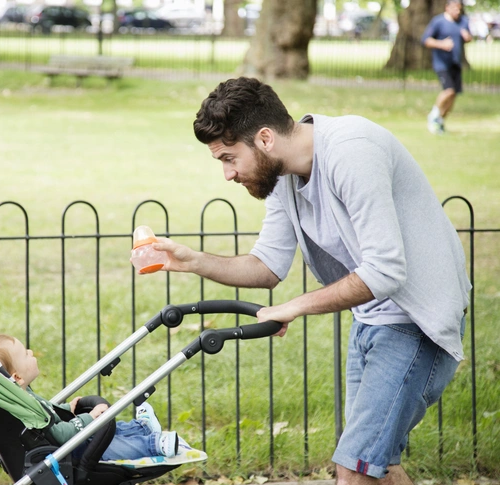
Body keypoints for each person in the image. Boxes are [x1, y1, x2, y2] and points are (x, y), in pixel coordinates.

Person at [151, 77, 470, 484]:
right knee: (379, 465)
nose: (228, 175)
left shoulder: (353, 151)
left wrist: (297, 305)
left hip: (417, 321)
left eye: (230, 158)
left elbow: (387, 270)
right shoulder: (283, 176)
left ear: (265, 138)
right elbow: (266, 267)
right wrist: (193, 260)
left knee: (354, 467)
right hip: (372, 320)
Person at [0, 334, 179, 461]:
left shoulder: (23, 396)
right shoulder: (22, 406)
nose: (32, 352)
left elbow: (47, 413)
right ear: (17, 377)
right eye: (26, 354)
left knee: (108, 432)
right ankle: (155, 445)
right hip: (69, 453)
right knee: (111, 445)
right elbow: (58, 434)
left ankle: (143, 428)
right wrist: (90, 417)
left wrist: (68, 408)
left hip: (67, 443)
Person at [422, 0, 472, 134]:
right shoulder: (438, 22)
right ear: (447, 7)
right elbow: (426, 40)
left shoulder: (463, 21)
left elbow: (468, 37)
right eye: (455, 8)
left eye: (459, 9)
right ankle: (433, 116)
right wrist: (441, 44)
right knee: (448, 91)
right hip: (441, 63)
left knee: (454, 95)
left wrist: (467, 37)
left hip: (455, 63)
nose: (457, 11)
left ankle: (440, 121)